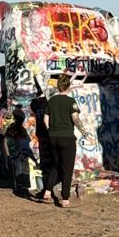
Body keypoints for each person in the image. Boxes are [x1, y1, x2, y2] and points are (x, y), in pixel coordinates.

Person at [40, 74, 92, 208]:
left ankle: (47, 192)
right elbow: (75, 119)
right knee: (67, 169)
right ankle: (65, 199)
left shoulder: (51, 101)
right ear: (68, 86)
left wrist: (51, 131)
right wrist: (86, 135)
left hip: (53, 137)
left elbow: (46, 119)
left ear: (58, 86)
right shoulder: (70, 102)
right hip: (67, 138)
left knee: (55, 166)